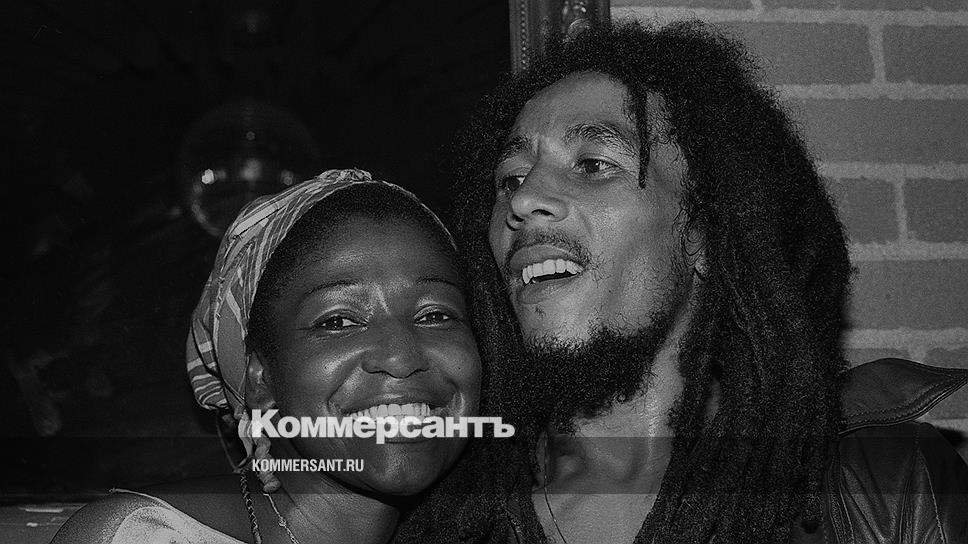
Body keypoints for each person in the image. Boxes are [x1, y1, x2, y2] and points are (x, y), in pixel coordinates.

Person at [396, 21, 968, 544]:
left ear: (703, 232)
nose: (522, 200)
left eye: (593, 164)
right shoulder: (447, 520)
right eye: (510, 178)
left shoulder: (884, 487)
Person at [53, 168, 482, 544]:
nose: (402, 357)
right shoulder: (146, 535)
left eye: (436, 315)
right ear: (260, 379)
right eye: (338, 321)